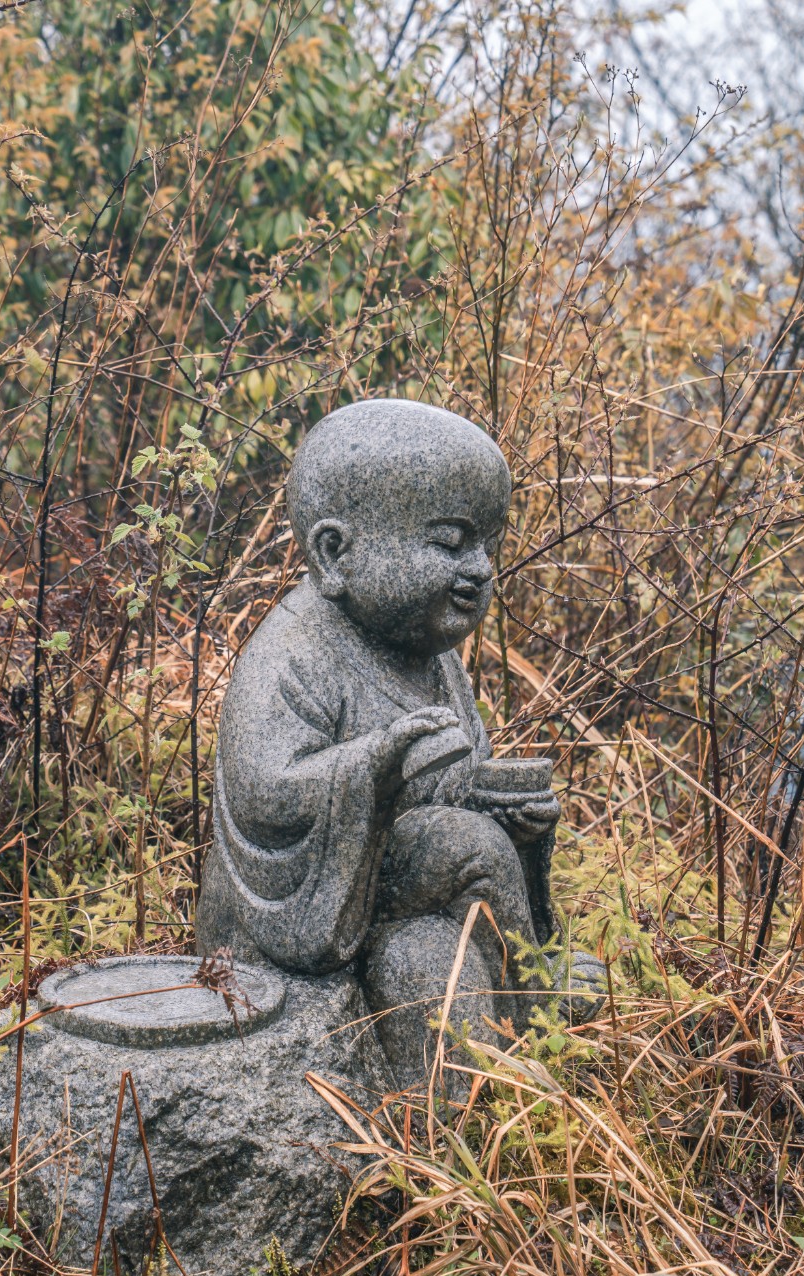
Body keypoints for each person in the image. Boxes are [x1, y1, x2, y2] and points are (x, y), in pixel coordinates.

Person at [196, 398, 603, 1090]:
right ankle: (536, 1002)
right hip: (292, 913)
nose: (480, 569)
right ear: (335, 553)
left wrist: (513, 817)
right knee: (468, 847)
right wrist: (374, 769)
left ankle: (472, 1124)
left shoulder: (432, 657)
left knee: (425, 963)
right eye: (450, 543)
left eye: (488, 545)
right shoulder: (291, 654)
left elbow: (450, 781)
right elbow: (265, 792)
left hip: (392, 904)